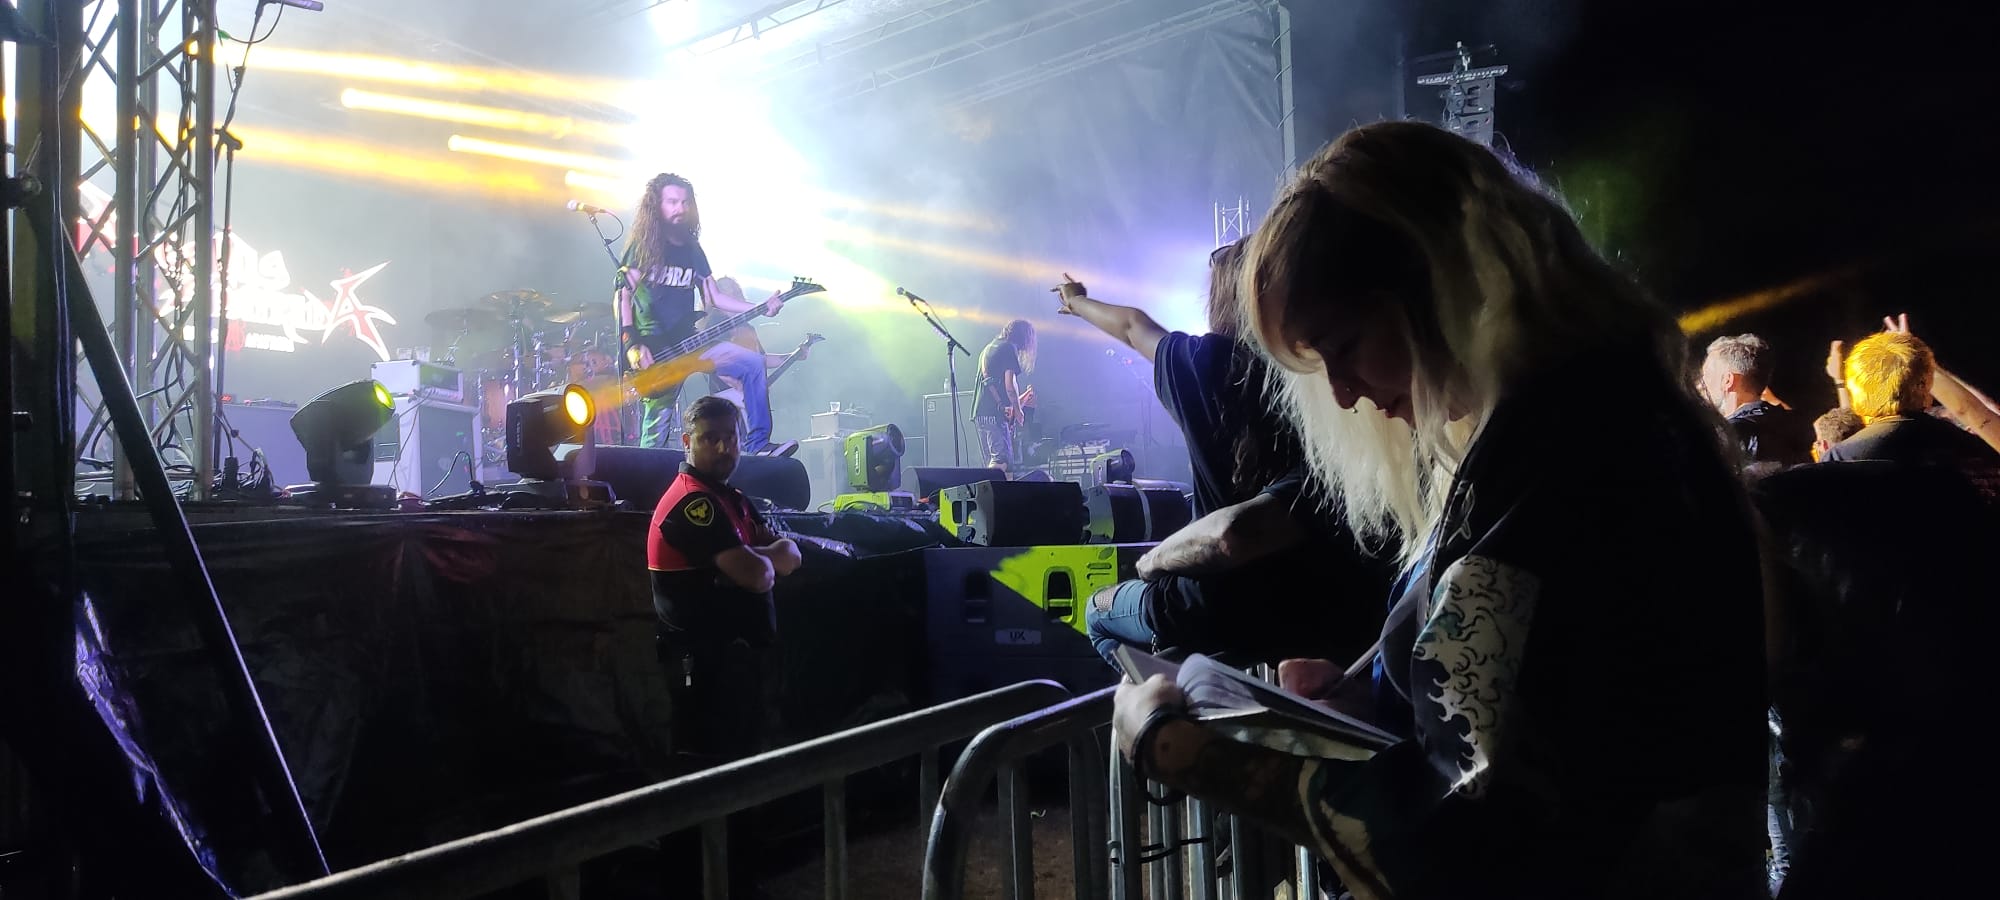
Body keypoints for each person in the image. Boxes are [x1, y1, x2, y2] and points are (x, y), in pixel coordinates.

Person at [1113, 121, 1769, 898]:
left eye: (1344, 346)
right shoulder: (1583, 416)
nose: (1343, 393)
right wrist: (1374, 691)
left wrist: (1183, 750)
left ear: (1438, 286)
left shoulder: (1562, 448)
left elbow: (1468, 836)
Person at [1055, 247, 1390, 668]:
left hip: (1216, 607)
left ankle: (1162, 696)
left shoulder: (1205, 365)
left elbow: (1132, 326)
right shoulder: (1318, 370)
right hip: (1325, 602)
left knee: (1097, 613)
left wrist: (1077, 301)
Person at [648, 395, 802, 762]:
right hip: (708, 677)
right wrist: (759, 559)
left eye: (730, 437)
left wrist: (753, 558)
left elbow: (792, 555)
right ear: (687, 442)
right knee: (714, 773)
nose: (723, 447)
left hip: (739, 670)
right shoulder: (692, 503)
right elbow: (759, 574)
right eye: (710, 438)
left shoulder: (731, 498)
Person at [617, 173, 788, 452]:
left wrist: (761, 307)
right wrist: (631, 344)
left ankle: (758, 445)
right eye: (672, 202)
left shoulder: (693, 250)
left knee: (753, 364)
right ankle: (646, 474)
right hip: (656, 351)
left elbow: (714, 297)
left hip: (690, 342)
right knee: (655, 437)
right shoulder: (643, 248)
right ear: (656, 205)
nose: (680, 208)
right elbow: (623, 296)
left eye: (685, 202)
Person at [1821, 329, 2000, 501]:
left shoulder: (1838, 459)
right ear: (1926, 384)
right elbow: (1974, 413)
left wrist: (1840, 381)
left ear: (1856, 390)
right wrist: (1919, 364)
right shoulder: (1971, 449)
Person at [1700, 333, 1812, 468]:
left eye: (1707, 376)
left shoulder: (1729, 436)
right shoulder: (1794, 426)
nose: (1701, 385)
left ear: (1727, 381)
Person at [970, 320, 1035, 471]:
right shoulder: (1008, 348)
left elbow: (998, 388)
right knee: (1001, 462)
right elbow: (1010, 385)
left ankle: (993, 486)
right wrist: (1018, 411)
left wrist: (1021, 400)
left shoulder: (989, 348)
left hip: (981, 413)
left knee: (993, 461)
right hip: (994, 415)